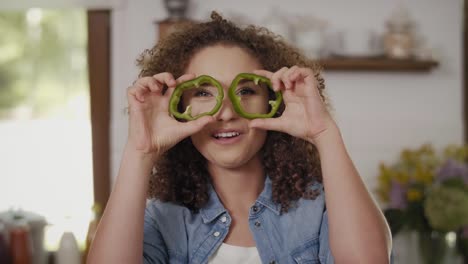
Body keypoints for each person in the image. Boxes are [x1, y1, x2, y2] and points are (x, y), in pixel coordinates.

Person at [87, 12, 392, 264]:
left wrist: (324, 134)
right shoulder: (162, 220)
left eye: (246, 90)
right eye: (204, 92)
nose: (226, 112)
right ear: (179, 108)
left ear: (274, 101)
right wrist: (140, 152)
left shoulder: (318, 212)